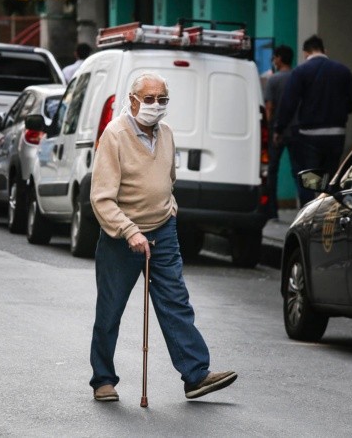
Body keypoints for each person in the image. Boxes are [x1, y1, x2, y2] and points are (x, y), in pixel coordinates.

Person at [89, 72, 237, 402]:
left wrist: (170, 207)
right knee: (110, 309)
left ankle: (195, 374)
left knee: (175, 302)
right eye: (149, 99)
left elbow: (169, 178)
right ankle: (103, 378)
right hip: (121, 234)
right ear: (132, 100)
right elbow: (101, 199)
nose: (156, 105)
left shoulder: (167, 134)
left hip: (162, 230)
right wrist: (130, 231)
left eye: (162, 99)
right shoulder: (114, 136)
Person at [274, 35, 352, 206]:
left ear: (306, 53)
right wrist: (341, 112)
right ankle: (326, 210)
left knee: (308, 176)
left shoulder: (301, 71)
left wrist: (279, 129)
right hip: (336, 134)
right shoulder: (342, 70)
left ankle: (309, 211)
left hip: (309, 135)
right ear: (324, 51)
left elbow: (289, 103)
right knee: (330, 176)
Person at [263, 45, 295, 218]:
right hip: (296, 130)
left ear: (280, 59)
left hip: (276, 130)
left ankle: (272, 210)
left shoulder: (274, 80)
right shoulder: (297, 77)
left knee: (272, 171)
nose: (273, 61)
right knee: (299, 171)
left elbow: (269, 107)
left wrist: (269, 128)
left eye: (274, 58)